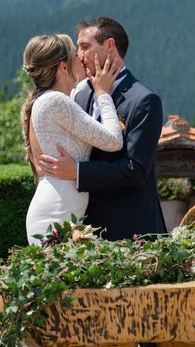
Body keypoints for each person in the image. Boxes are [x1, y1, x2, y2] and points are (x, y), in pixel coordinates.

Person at [0, 33, 123, 347]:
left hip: (55, 208)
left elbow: (76, 95)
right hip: (56, 215)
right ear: (62, 67)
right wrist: (102, 93)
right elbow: (113, 141)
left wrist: (90, 84)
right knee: (46, 305)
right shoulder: (56, 103)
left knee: (44, 304)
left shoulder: (49, 100)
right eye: (75, 58)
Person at [38, 17, 166, 240]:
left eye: (85, 46)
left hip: (129, 228)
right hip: (85, 227)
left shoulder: (144, 100)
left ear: (109, 46)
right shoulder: (81, 93)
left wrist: (77, 172)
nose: (78, 54)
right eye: (78, 47)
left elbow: (135, 169)